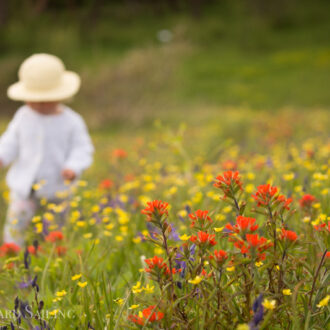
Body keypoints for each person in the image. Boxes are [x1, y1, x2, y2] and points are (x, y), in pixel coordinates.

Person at [0, 53, 94, 246]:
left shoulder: (72, 121)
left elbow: (82, 148)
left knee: (55, 230)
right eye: (33, 99)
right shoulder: (23, 116)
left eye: (45, 100)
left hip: (57, 188)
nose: (39, 104)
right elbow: (10, 141)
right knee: (16, 225)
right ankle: (12, 253)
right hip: (24, 187)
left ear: (61, 95)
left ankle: (51, 256)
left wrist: (73, 167)